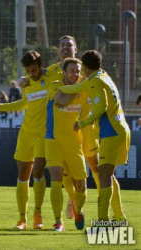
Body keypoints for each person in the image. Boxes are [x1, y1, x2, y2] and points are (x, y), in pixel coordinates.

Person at [19, 35, 101, 221]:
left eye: (69, 45)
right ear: (58, 49)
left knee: (96, 170)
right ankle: (69, 207)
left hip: (86, 129)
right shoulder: (53, 72)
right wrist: (23, 80)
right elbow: (36, 77)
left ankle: (109, 210)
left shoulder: (86, 69)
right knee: (61, 172)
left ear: (76, 48)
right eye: (62, 44)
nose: (65, 48)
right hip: (61, 131)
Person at [58, 50, 130, 223]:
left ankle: (105, 219)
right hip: (119, 129)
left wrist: (83, 123)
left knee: (104, 175)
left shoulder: (95, 81)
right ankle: (118, 216)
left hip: (112, 132)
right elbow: (78, 87)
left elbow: (101, 107)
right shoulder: (102, 76)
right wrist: (56, 87)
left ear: (85, 66)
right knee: (107, 175)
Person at [0, 50, 52, 230]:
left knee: (38, 172)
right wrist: (0, 107)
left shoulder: (52, 78)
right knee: (23, 174)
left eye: (34, 70)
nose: (31, 74)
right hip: (26, 133)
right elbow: (24, 104)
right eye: (28, 71)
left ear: (40, 65)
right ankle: (22, 219)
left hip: (43, 133)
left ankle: (37, 215)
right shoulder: (27, 83)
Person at [45, 58, 89, 232]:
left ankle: (78, 210)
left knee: (81, 186)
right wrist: (80, 88)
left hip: (74, 142)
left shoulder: (83, 88)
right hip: (53, 139)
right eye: (72, 71)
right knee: (56, 177)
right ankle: (58, 222)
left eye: (78, 71)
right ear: (64, 71)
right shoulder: (54, 84)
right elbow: (62, 100)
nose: (75, 74)